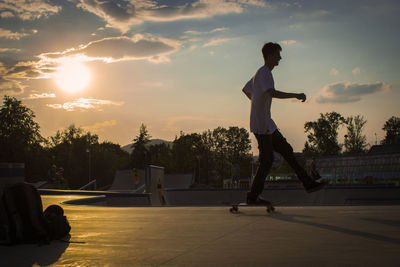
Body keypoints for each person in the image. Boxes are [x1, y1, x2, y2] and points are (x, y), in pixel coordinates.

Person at [242, 42, 326, 204]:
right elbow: (272, 93)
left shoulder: (259, 73)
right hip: (262, 125)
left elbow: (246, 90)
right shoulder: (264, 73)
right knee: (267, 161)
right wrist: (295, 95)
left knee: (286, 150)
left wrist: (256, 103)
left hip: (266, 122)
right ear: (270, 56)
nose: (280, 58)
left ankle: (308, 184)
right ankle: (252, 197)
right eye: (277, 55)